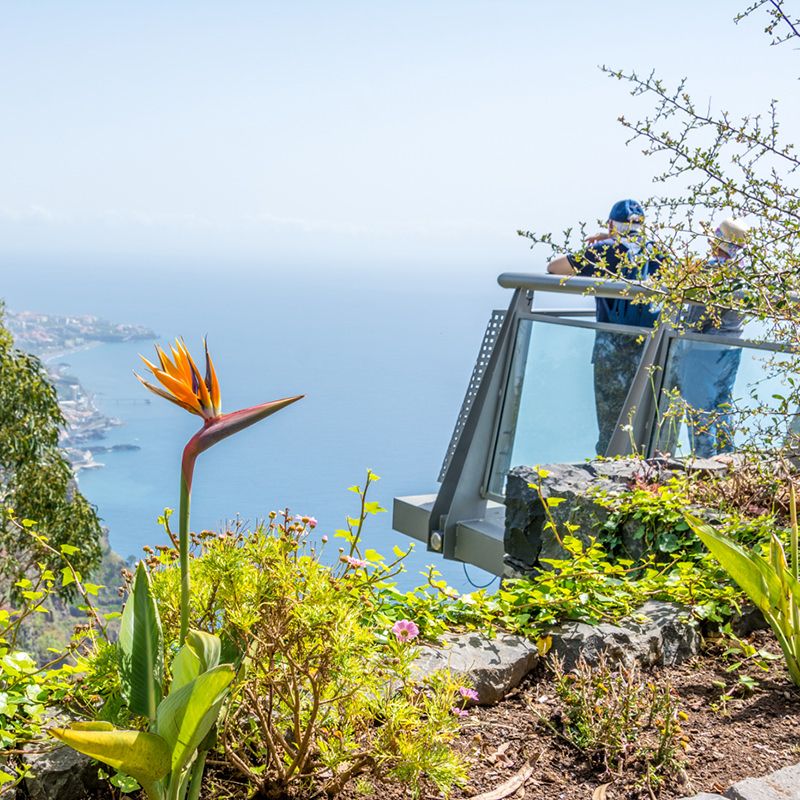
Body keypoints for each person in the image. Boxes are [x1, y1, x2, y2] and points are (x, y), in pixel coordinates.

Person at [547, 199, 662, 454]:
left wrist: (602, 242)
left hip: (612, 351)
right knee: (647, 425)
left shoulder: (606, 249)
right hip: (652, 349)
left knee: (612, 426)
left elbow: (554, 268)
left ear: (611, 224)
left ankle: (610, 479)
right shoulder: (655, 251)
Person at [672, 218, 750, 458]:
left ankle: (704, 466)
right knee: (722, 405)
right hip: (731, 348)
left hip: (702, 350)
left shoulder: (709, 270)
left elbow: (695, 318)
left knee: (700, 411)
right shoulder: (745, 273)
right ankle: (727, 463)